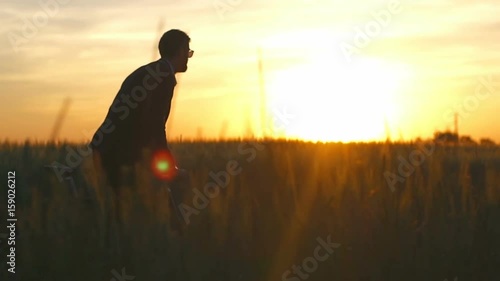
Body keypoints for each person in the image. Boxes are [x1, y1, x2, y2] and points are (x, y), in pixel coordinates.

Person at [89, 29, 192, 235]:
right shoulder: (164, 77)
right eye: (188, 52)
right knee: (141, 209)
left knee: (118, 215)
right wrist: (168, 166)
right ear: (179, 51)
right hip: (121, 153)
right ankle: (174, 238)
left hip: (108, 148)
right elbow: (155, 126)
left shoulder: (148, 71)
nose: (189, 58)